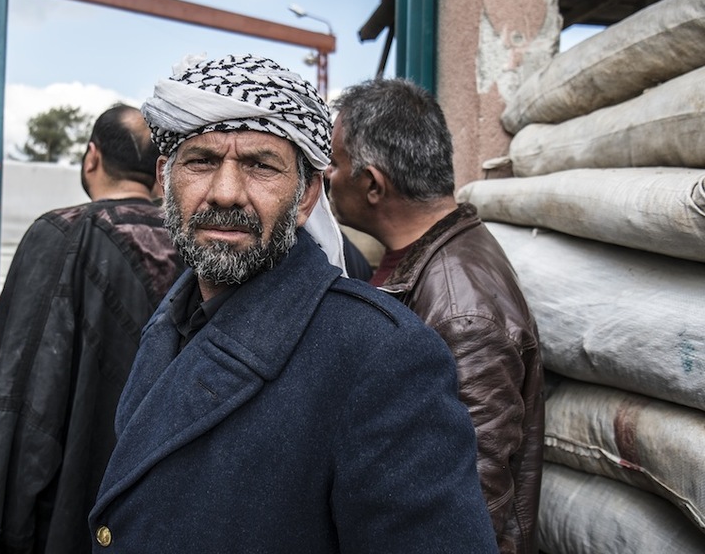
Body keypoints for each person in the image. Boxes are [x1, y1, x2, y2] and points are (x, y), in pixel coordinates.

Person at [88, 54, 498, 553]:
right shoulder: (172, 319)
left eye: (260, 166)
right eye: (202, 161)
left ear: (306, 196)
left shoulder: (384, 356)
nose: (225, 193)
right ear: (165, 179)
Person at [327, 77, 544, 553]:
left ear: (372, 184)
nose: (326, 175)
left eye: (335, 163)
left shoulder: (462, 313)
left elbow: (473, 504)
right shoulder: (417, 262)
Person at [0, 104, 183, 554]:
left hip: (69, 490)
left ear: (91, 157)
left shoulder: (61, 231)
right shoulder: (191, 242)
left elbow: (25, 393)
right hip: (162, 479)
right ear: (161, 172)